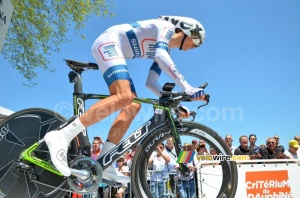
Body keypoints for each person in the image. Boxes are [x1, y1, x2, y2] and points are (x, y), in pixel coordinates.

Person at [43, 15, 206, 181]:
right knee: (124, 96)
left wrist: (175, 105)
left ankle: (103, 162)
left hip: (115, 48)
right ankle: (62, 136)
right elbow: (161, 55)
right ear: (187, 30)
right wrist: (187, 87)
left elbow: (151, 82)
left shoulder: (164, 49)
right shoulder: (166, 28)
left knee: (133, 106)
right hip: (108, 42)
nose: (196, 46)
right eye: (197, 40)